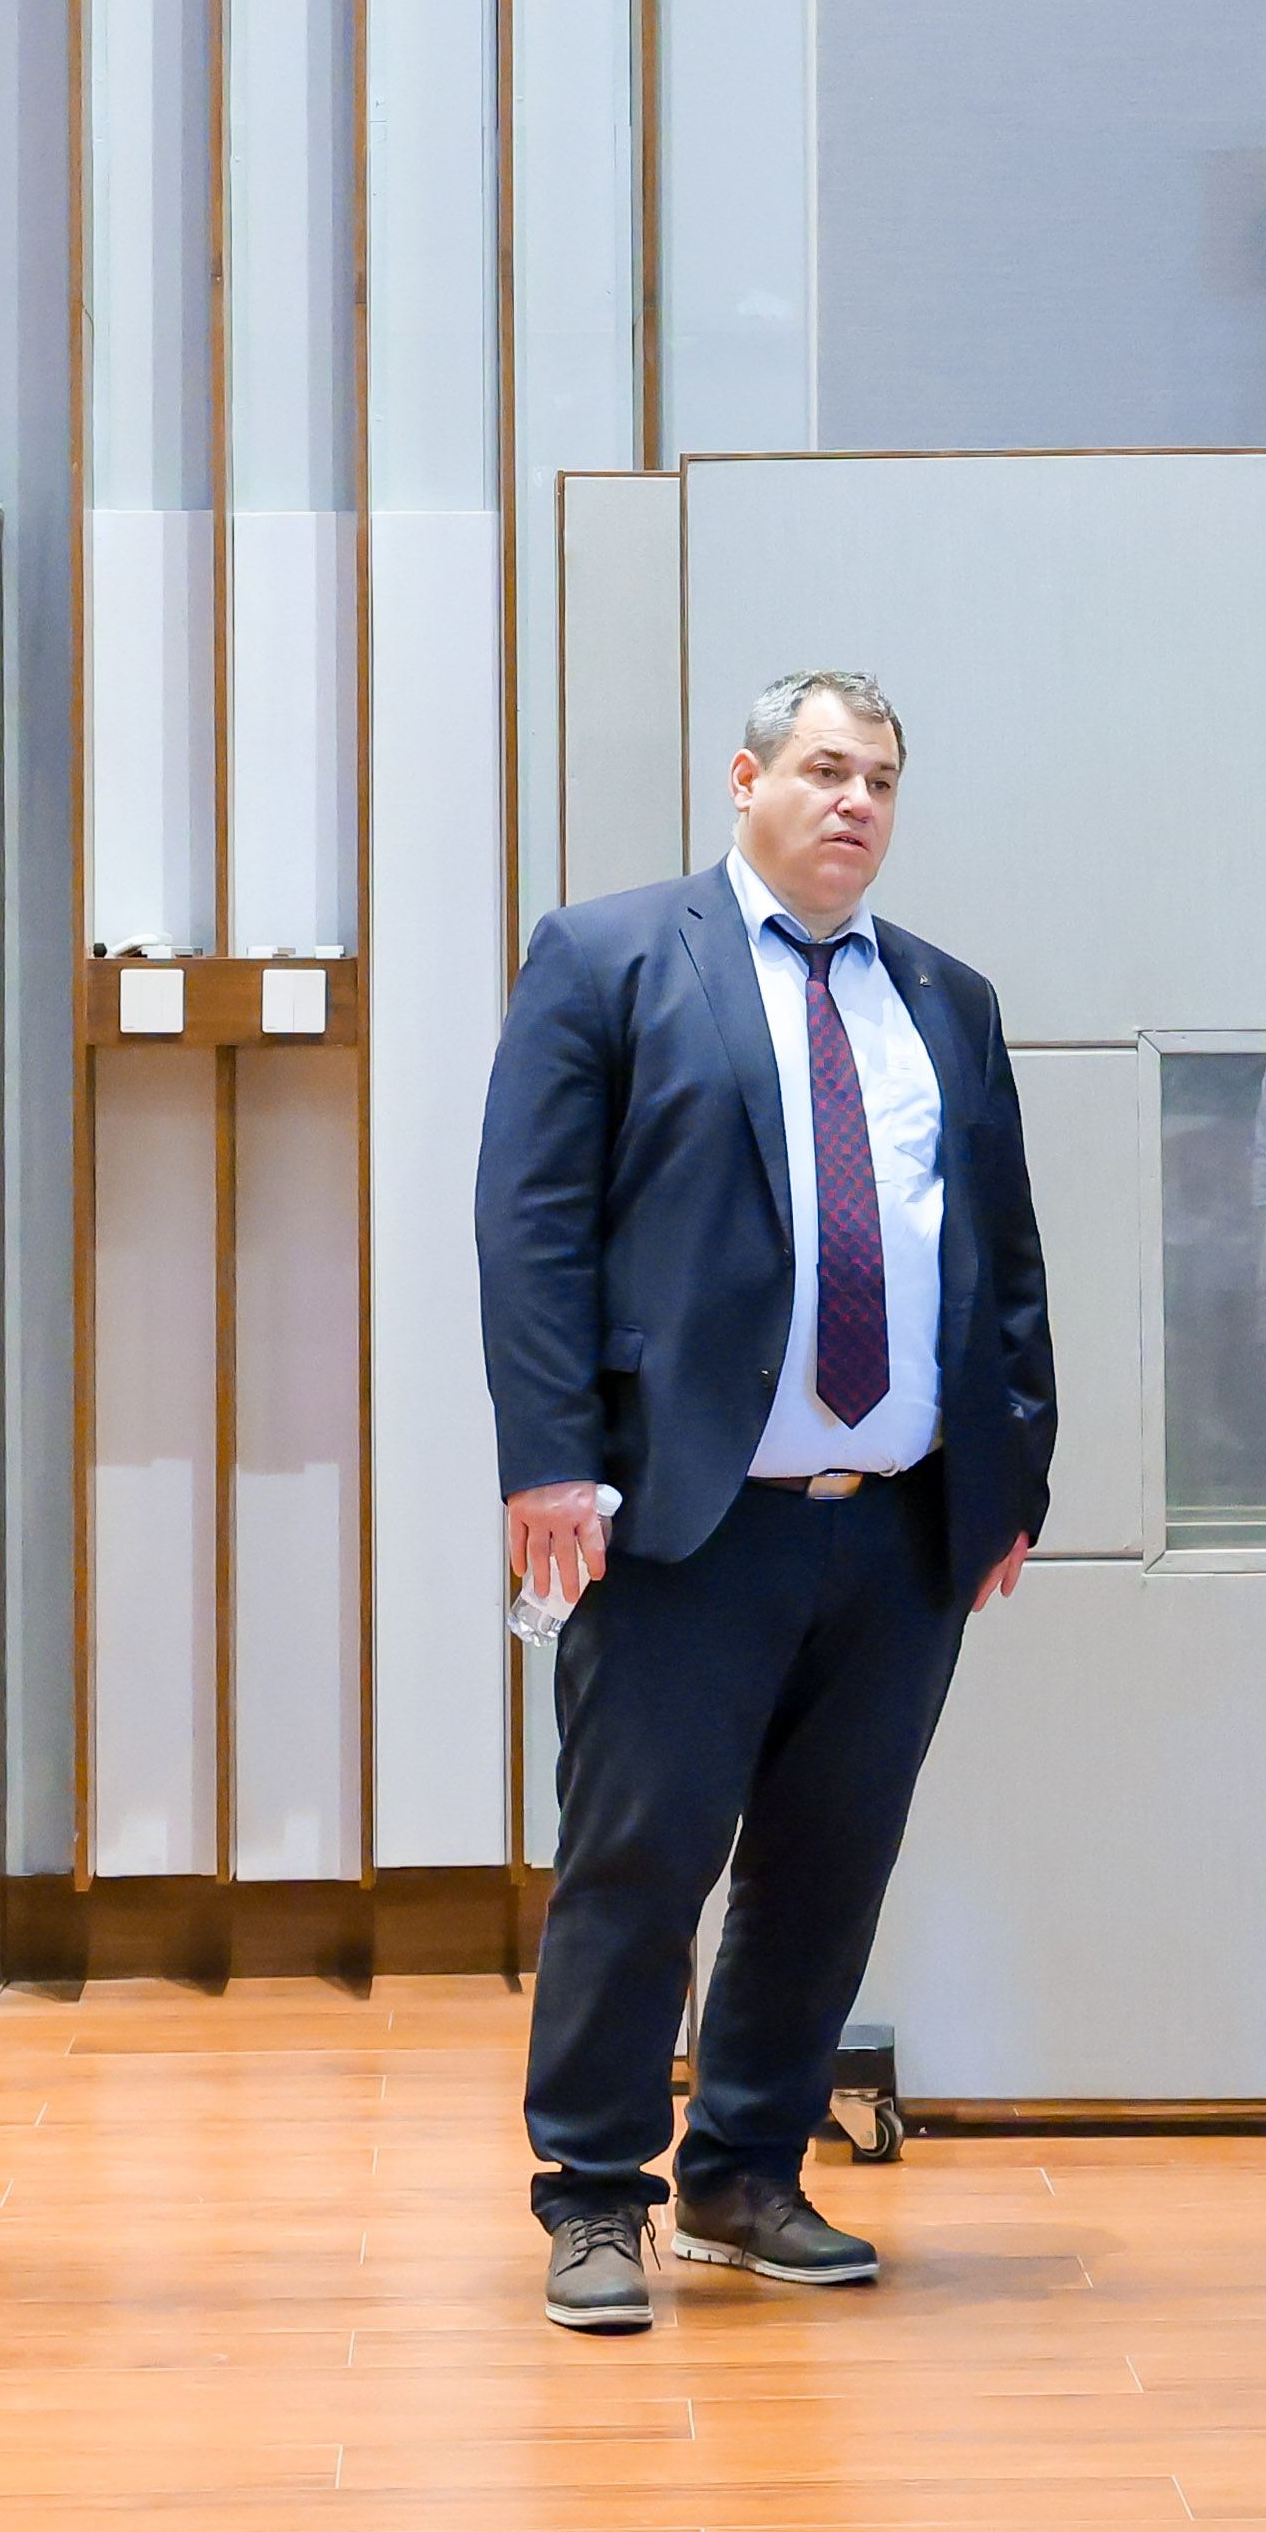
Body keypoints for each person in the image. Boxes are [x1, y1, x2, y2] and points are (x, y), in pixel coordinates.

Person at [473, 670, 1058, 2334]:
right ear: (745, 780)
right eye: (823, 769)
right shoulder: (608, 957)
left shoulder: (946, 998)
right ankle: (596, 2192)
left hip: (898, 1521)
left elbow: (1001, 1255)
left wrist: (1012, 1474)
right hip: (683, 1515)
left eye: (881, 779)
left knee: (827, 1866)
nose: (854, 802)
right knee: (639, 1860)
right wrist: (547, 1457)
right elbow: (531, 1226)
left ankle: (744, 2173)